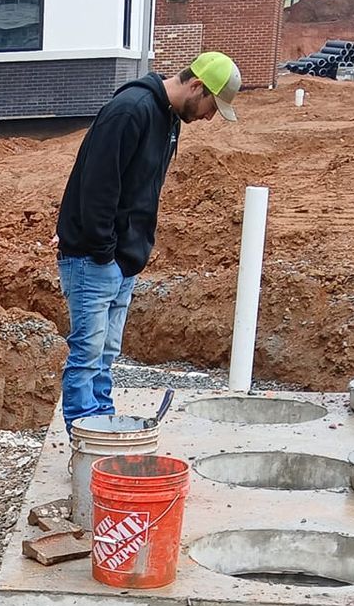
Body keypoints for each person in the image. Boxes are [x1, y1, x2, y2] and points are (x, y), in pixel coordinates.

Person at [54, 51, 241, 428]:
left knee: (105, 354)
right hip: (95, 259)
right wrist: (105, 252)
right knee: (87, 355)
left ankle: (102, 426)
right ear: (197, 86)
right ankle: (84, 439)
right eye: (210, 106)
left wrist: (130, 255)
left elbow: (141, 191)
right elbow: (98, 189)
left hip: (120, 260)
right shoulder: (131, 111)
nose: (208, 117)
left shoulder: (169, 120)